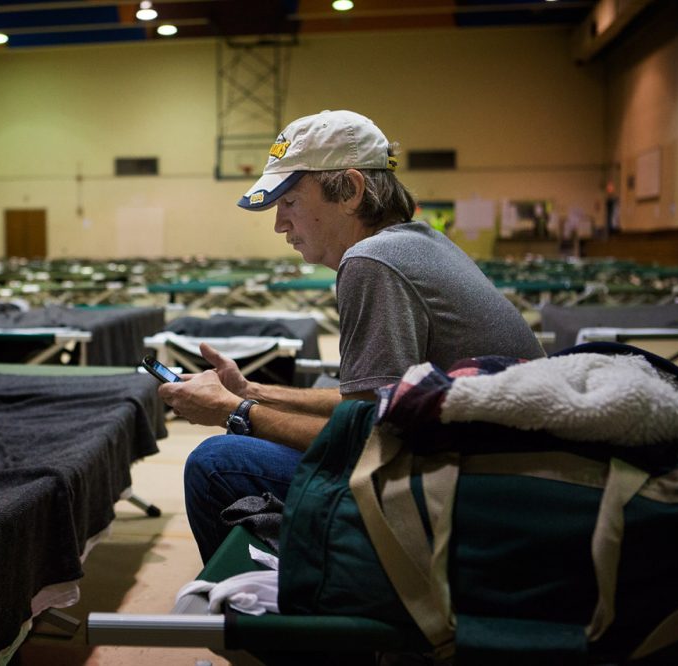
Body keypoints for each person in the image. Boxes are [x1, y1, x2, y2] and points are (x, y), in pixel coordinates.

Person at [159, 109, 545, 563]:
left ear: (351, 191)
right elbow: (376, 403)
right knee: (308, 404)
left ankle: (292, 619)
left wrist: (236, 411)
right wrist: (252, 391)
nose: (280, 224)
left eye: (290, 202)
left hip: (476, 488)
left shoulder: (371, 261)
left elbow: (369, 439)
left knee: (216, 463)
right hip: (510, 470)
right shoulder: (421, 242)